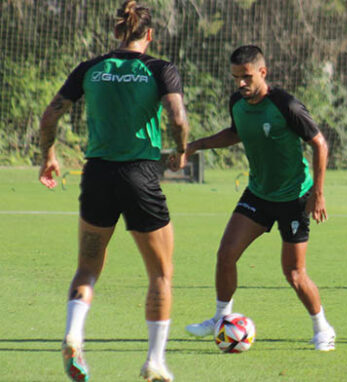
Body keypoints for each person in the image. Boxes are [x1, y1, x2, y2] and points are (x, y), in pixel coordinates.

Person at [38, 1, 189, 381]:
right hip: (140, 176)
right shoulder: (159, 69)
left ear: (118, 32)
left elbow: (51, 114)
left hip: (97, 176)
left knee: (87, 268)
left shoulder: (91, 68)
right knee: (161, 274)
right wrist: (182, 151)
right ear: (149, 34)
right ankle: (154, 361)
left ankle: (74, 334)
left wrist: (49, 155)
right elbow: (177, 118)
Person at [184, 45, 335, 351]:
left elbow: (319, 144)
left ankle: (323, 328)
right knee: (226, 254)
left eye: (246, 76)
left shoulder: (286, 105)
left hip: (294, 197)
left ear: (262, 73)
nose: (240, 83)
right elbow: (236, 132)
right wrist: (196, 145)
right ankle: (221, 318)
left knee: (294, 273)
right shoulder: (237, 102)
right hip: (258, 193)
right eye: (235, 77)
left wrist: (317, 194)